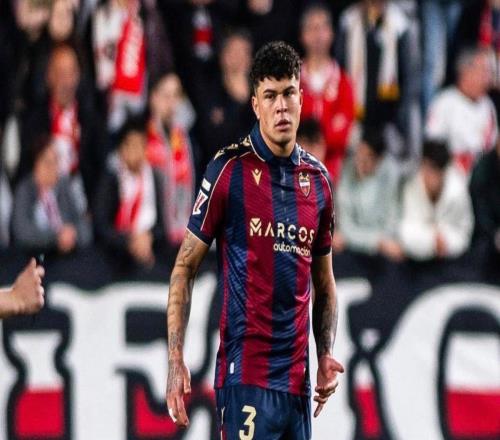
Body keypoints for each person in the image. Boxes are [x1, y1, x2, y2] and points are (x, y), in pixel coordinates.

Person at [166, 41, 344, 439]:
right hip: (245, 377)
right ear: (255, 105)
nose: (281, 107)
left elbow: (324, 282)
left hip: (297, 385)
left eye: (289, 93)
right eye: (270, 96)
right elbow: (184, 268)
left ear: (302, 99)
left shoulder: (318, 183)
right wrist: (175, 359)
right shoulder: (228, 170)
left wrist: (325, 352)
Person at [94, 116, 166, 270]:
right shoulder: (111, 178)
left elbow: (161, 225)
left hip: (149, 249)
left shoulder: (154, 176)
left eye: (141, 145)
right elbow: (102, 225)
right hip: (117, 256)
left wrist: (148, 237)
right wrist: (130, 241)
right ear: (122, 149)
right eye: (132, 145)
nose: (137, 152)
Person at [299, 3, 354, 183]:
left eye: (323, 27)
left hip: (335, 172)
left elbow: (344, 131)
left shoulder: (343, 81)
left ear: (331, 34)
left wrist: (314, 141)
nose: (318, 35)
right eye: (312, 28)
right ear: (303, 35)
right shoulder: (292, 81)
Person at [12, 134, 92, 255]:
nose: (54, 168)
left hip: (69, 254)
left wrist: (74, 234)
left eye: (56, 161)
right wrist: (56, 238)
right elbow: (22, 232)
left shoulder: (64, 185)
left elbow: (83, 223)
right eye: (48, 163)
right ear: (35, 164)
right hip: (38, 255)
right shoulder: (25, 190)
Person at [426, 47, 497, 175]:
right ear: (465, 72)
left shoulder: (488, 106)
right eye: (483, 72)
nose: (488, 79)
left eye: (488, 73)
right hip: (450, 176)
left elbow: (491, 148)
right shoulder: (444, 102)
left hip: (482, 177)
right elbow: (433, 147)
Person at [398, 140, 473, 261]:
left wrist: (446, 242)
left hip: (450, 258)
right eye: (426, 169)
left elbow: (464, 232)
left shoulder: (458, 191)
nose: (429, 176)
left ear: (444, 172)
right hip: (417, 258)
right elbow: (406, 230)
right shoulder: (412, 186)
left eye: (434, 171)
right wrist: (432, 241)